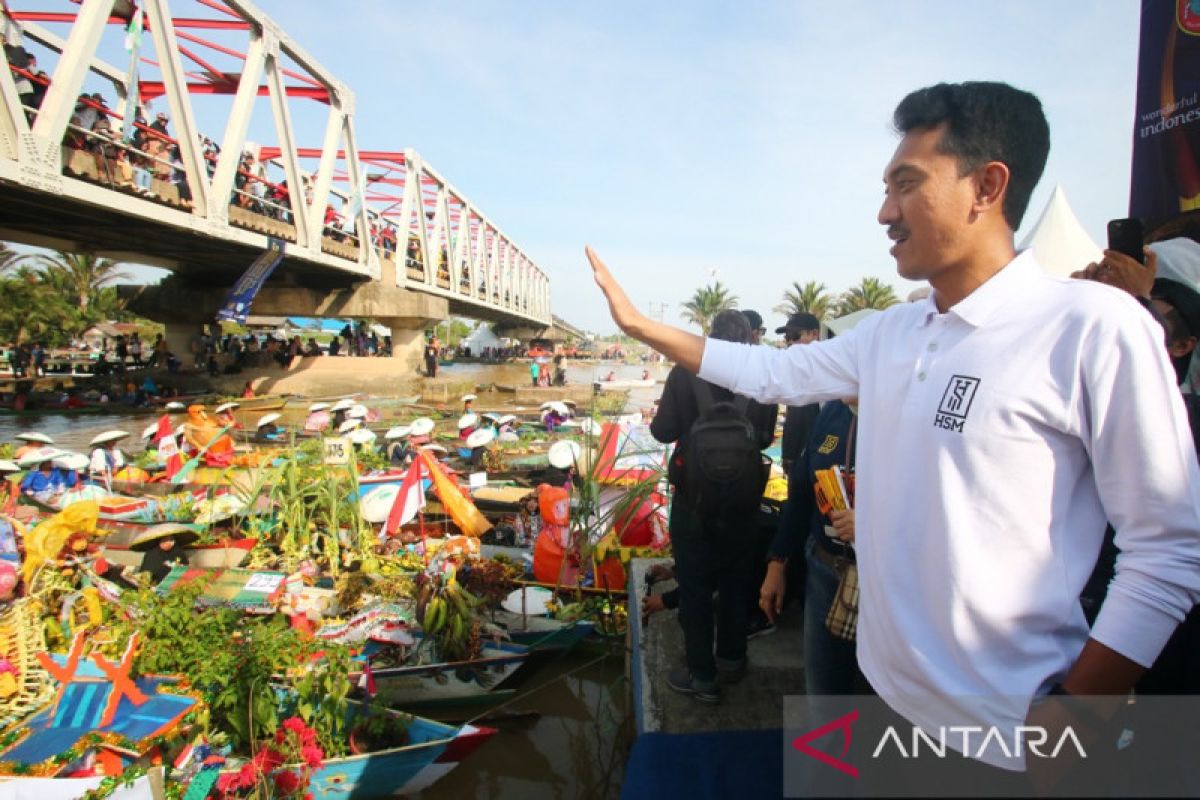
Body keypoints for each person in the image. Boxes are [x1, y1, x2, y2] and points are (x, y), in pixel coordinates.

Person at [586, 81, 1200, 786]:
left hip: (1010, 738)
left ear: (987, 187)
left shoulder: (1090, 327)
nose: (885, 212)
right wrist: (641, 327)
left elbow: (1169, 550)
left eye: (907, 185)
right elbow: (769, 373)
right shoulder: (891, 332)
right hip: (884, 699)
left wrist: (1081, 715)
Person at [649, 309, 778, 704]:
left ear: (710, 339)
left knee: (696, 587)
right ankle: (732, 660)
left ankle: (702, 677)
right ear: (750, 340)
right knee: (738, 582)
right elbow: (765, 438)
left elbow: (662, 431)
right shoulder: (762, 376)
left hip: (695, 502)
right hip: (743, 504)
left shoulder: (686, 371)